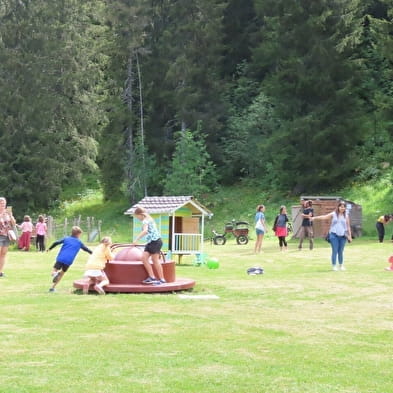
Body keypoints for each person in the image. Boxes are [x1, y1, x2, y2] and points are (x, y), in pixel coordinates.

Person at [47, 226, 92, 292]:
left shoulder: (66, 239)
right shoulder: (79, 242)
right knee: (62, 274)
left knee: (53, 271)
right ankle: (52, 288)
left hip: (60, 258)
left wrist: (49, 248)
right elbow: (86, 249)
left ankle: (55, 274)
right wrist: (93, 254)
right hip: (68, 261)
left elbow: (56, 242)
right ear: (78, 234)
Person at [312, 201, 352, 271]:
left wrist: (350, 236)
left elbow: (348, 227)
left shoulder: (346, 216)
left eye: (344, 207)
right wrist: (314, 218)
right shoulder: (333, 214)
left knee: (341, 251)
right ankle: (334, 265)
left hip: (343, 236)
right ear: (338, 207)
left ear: (345, 208)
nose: (342, 208)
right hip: (334, 235)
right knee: (335, 250)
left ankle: (341, 265)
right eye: (341, 207)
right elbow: (324, 217)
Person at [132, 206, 166, 285]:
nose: (137, 218)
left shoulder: (145, 221)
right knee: (144, 258)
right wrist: (146, 242)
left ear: (141, 214)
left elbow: (145, 231)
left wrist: (136, 239)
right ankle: (152, 277)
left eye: (137, 216)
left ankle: (162, 279)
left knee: (155, 260)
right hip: (151, 242)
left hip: (156, 241)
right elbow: (151, 233)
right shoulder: (149, 220)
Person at [0, 197, 16, 277]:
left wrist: (11, 216)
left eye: (4, 203)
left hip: (7, 235)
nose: (2, 205)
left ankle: (1, 272)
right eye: (1, 203)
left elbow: (13, 223)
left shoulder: (7, 213)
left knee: (3, 253)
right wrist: (1, 215)